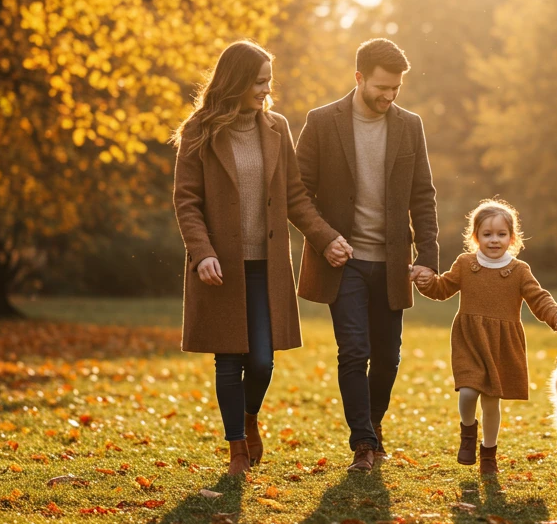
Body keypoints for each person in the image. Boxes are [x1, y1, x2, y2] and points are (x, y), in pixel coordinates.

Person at [171, 40, 354, 477]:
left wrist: (326, 238)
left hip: (266, 267)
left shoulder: (276, 128)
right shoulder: (199, 130)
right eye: (258, 81)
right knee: (228, 359)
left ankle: (249, 416)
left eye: (268, 80)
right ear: (234, 81)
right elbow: (187, 201)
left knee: (261, 361)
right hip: (220, 268)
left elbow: (295, 196)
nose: (266, 89)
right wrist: (202, 254)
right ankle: (237, 447)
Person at [295, 38, 439, 472]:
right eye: (381, 87)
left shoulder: (410, 125)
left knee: (388, 357)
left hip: (393, 263)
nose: (389, 96)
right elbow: (296, 193)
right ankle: (363, 443)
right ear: (359, 77)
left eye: (396, 88)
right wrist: (324, 238)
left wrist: (428, 255)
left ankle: (373, 425)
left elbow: (423, 195)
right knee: (354, 350)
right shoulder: (322, 122)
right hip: (345, 262)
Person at [414, 199, 557, 475]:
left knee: (491, 402)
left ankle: (488, 453)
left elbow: (539, 299)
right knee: (467, 392)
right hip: (470, 340)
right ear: (475, 237)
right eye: (487, 234)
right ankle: (468, 433)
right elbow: (441, 289)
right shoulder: (465, 263)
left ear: (512, 238)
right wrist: (426, 282)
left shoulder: (519, 270)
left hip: (501, 344)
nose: (494, 240)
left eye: (501, 234)